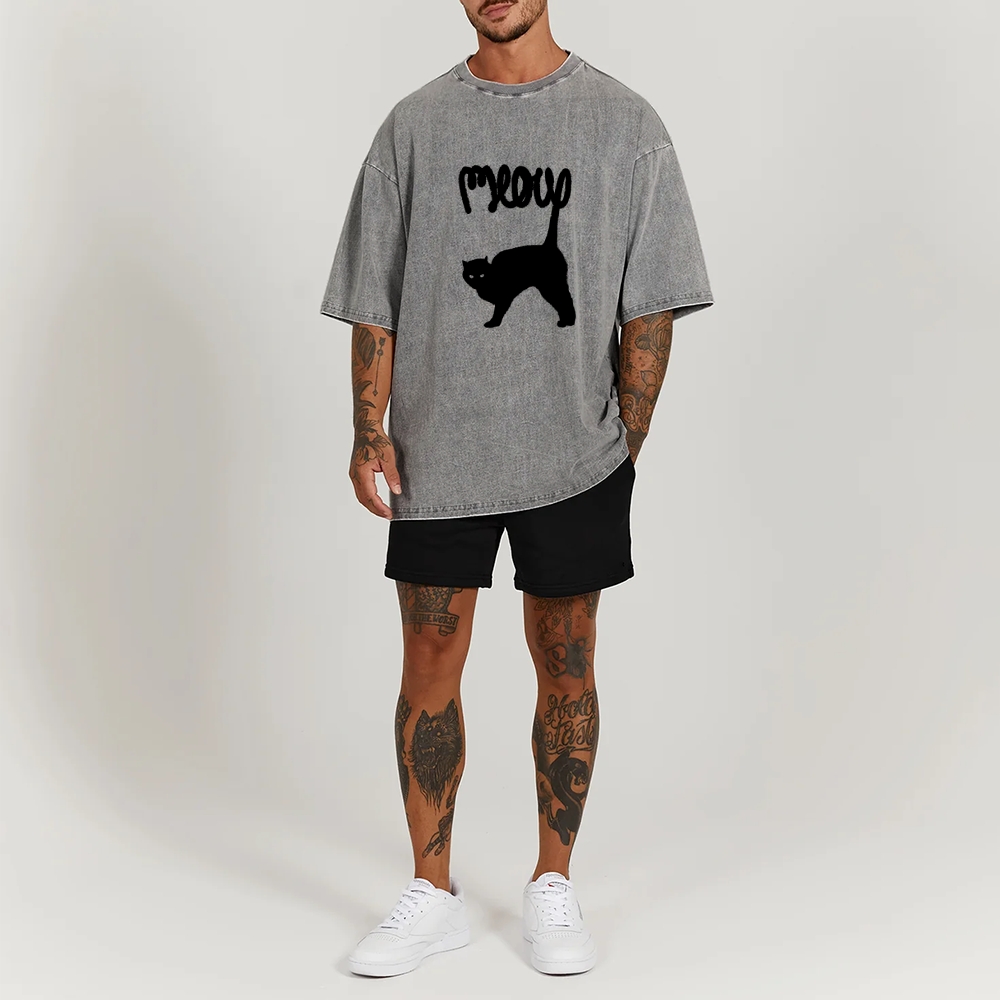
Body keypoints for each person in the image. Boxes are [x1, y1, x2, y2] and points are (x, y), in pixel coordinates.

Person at [319, 0, 713, 978]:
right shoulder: (414, 127)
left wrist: (624, 440)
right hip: (436, 454)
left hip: (575, 457)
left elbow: (653, 299)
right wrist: (369, 428)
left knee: (566, 665)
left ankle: (552, 881)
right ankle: (432, 891)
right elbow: (373, 295)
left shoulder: (625, 124)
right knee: (427, 667)